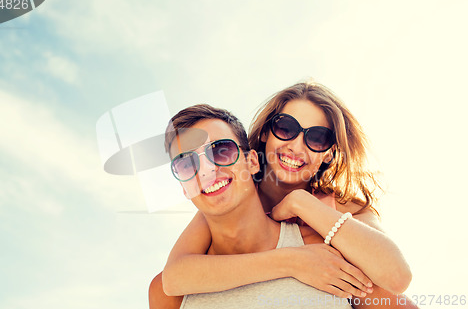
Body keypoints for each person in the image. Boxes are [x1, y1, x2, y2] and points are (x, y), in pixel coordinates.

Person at [149, 81, 416, 308]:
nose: (295, 146)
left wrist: (303, 204)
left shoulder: (340, 213)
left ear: (329, 154)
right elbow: (173, 278)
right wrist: (291, 261)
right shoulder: (223, 191)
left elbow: (396, 276)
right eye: (286, 128)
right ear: (266, 133)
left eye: (318, 138)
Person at [153, 104, 353, 308]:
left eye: (221, 151)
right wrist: (289, 261)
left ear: (252, 162)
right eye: (187, 164)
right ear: (184, 188)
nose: (207, 171)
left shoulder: (330, 249)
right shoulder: (169, 294)